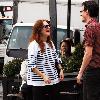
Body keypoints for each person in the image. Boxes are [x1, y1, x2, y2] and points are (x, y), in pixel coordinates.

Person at [27, 19, 64, 100]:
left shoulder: (50, 43)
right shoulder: (34, 45)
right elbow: (31, 65)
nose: (48, 28)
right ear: (39, 29)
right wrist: (43, 76)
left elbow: (56, 59)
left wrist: (61, 70)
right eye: (45, 26)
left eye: (49, 26)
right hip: (39, 82)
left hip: (53, 80)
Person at [76, 1, 100, 100]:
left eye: (82, 11)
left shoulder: (90, 28)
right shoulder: (98, 26)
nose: (80, 14)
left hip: (92, 71)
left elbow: (88, 54)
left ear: (87, 12)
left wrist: (80, 73)